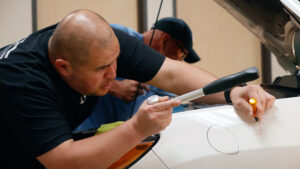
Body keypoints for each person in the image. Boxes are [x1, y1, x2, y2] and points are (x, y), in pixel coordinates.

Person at [0, 9, 275, 169]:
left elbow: (171, 73)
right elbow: (64, 161)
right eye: (101, 69)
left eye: (115, 61)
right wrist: (136, 128)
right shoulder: (21, 80)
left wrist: (233, 92)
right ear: (63, 68)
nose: (114, 74)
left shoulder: (103, 43)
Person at [74, 17, 201, 132]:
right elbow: (76, 65)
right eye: (181, 55)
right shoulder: (116, 36)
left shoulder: (160, 78)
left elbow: (178, 98)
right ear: (165, 41)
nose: (178, 61)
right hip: (77, 131)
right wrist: (114, 87)